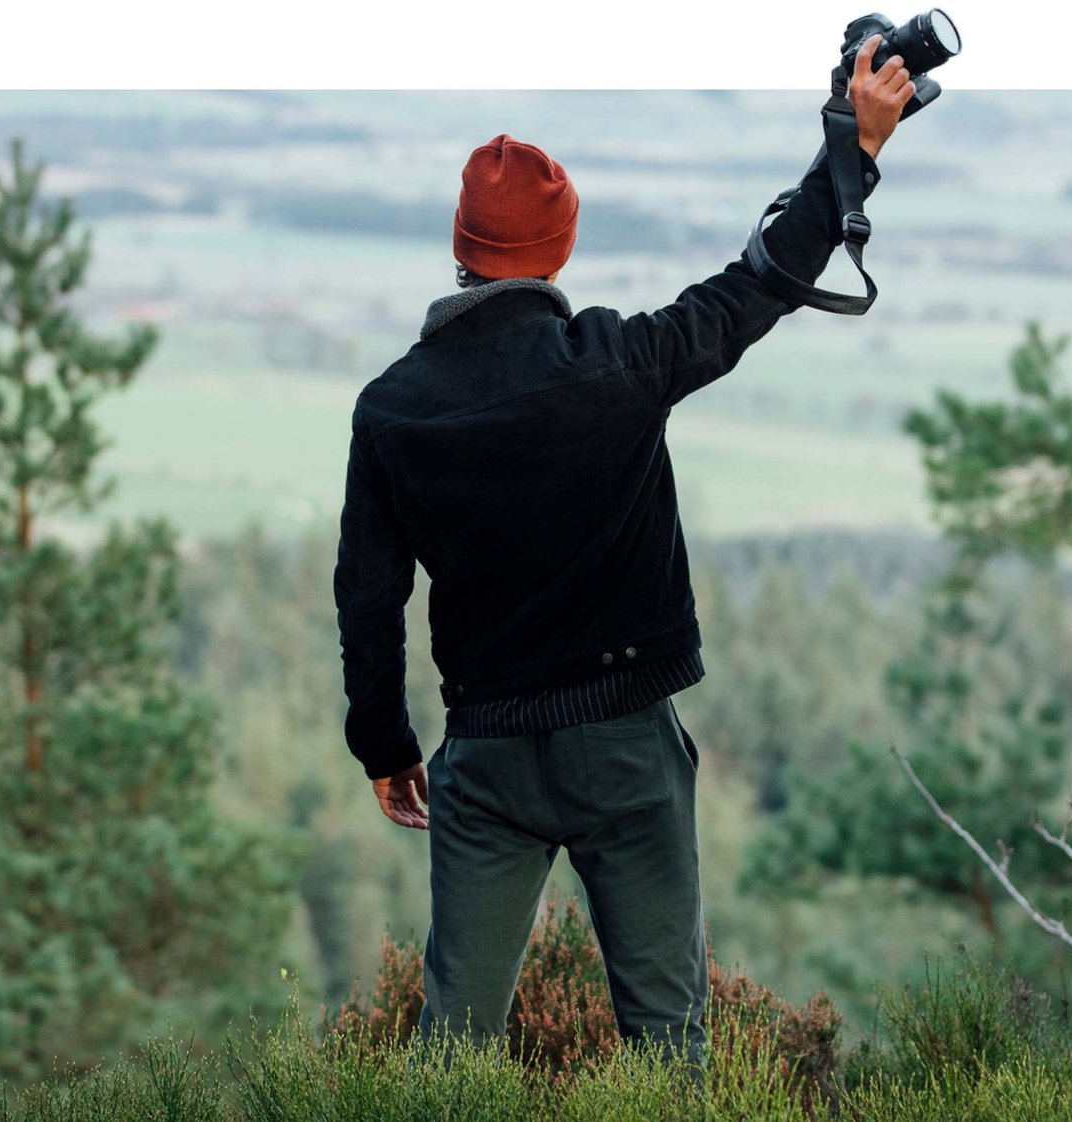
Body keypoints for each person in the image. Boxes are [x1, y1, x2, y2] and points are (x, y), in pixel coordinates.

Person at [332, 39, 915, 1075]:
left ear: (461, 248)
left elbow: (369, 600)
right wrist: (853, 149)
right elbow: (760, 286)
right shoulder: (617, 365)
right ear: (556, 252)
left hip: (488, 754)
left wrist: (384, 744)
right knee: (666, 1042)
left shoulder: (391, 409)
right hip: (626, 744)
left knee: (452, 1051)